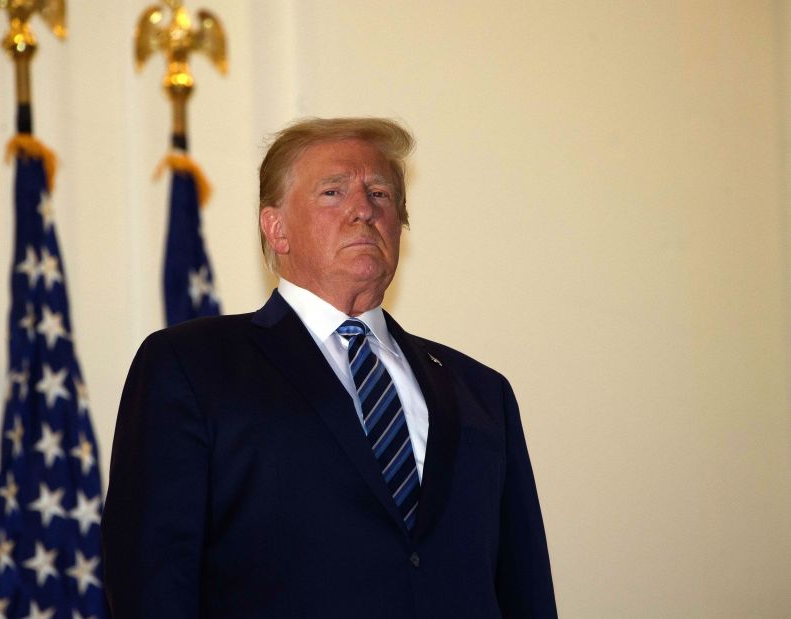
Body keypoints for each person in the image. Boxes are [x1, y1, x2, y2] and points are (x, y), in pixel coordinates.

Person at [101, 117, 557, 618]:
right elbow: (152, 584)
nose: (363, 210)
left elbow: (523, 587)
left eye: (380, 194)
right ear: (276, 229)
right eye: (333, 192)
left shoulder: (481, 391)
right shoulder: (192, 366)